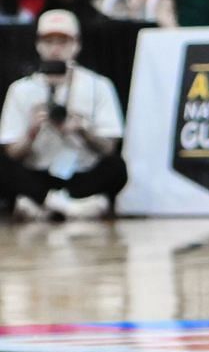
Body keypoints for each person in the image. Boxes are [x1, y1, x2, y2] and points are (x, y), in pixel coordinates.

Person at [0, 11, 126, 221]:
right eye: (48, 41)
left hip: (81, 173)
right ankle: (67, 206)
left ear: (77, 44)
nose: (55, 49)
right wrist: (31, 132)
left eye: (63, 41)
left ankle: (43, 206)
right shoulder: (21, 89)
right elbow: (12, 153)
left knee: (116, 168)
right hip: (39, 174)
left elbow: (109, 148)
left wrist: (83, 131)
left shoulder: (98, 85)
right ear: (38, 44)